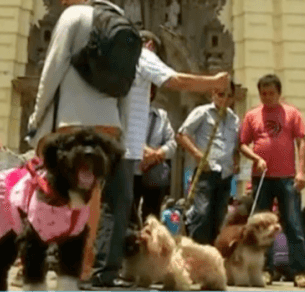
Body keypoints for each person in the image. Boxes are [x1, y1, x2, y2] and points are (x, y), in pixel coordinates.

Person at [91, 30, 229, 288]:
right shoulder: (142, 55)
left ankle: (106, 269)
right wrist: (214, 81)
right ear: (150, 44)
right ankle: (103, 273)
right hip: (125, 149)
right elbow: (177, 80)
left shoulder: (115, 60)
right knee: (117, 210)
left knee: (114, 209)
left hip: (111, 143)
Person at [26, 0, 127, 284]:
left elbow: (53, 67)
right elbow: (127, 79)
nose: (63, 1)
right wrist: (118, 123)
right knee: (90, 195)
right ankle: (82, 266)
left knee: (53, 189)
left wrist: (36, 116)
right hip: (107, 122)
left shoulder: (74, 16)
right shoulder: (118, 18)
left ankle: (38, 260)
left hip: (71, 120)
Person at [239, 74, 305, 288]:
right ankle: (265, 270)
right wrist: (256, 158)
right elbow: (243, 144)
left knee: (293, 224)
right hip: (261, 177)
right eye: (263, 93)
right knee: (261, 227)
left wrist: (302, 172)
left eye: (271, 93)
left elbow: (301, 143)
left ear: (279, 93)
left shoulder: (292, 113)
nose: (267, 97)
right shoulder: (252, 115)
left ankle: (300, 271)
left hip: (287, 178)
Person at [177, 82, 239, 246]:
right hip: (206, 171)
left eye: (228, 95)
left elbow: (235, 145)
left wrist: (236, 162)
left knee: (219, 215)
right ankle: (196, 248)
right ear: (213, 94)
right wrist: (198, 155)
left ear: (233, 98)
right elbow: (182, 134)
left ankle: (211, 252)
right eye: (220, 94)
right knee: (201, 213)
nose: (224, 99)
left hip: (225, 173)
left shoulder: (234, 119)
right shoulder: (202, 112)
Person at [132, 84, 176, 224]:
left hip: (153, 175)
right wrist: (142, 150)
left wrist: (156, 154)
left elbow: (172, 143)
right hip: (130, 173)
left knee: (152, 218)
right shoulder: (127, 113)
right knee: (128, 216)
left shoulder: (161, 117)